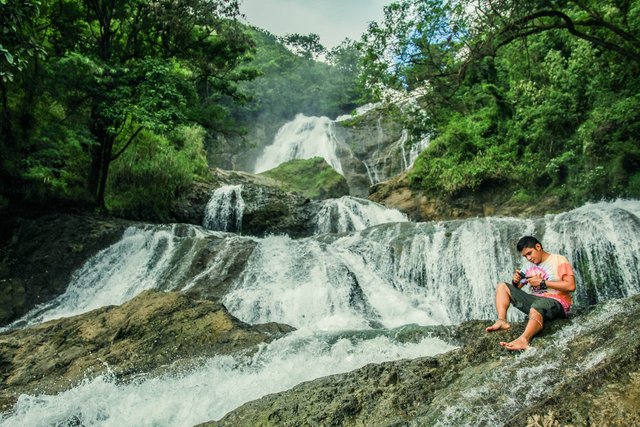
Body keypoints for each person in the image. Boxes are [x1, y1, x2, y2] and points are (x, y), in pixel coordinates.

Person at [485, 235, 576, 350]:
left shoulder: (558, 260)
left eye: (529, 253)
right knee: (502, 286)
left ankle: (523, 340)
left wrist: (543, 283)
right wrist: (515, 281)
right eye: (525, 256)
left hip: (557, 302)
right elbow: (518, 286)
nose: (528, 258)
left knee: (537, 306)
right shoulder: (528, 266)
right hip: (535, 300)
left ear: (538, 246)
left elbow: (571, 286)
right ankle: (502, 320)